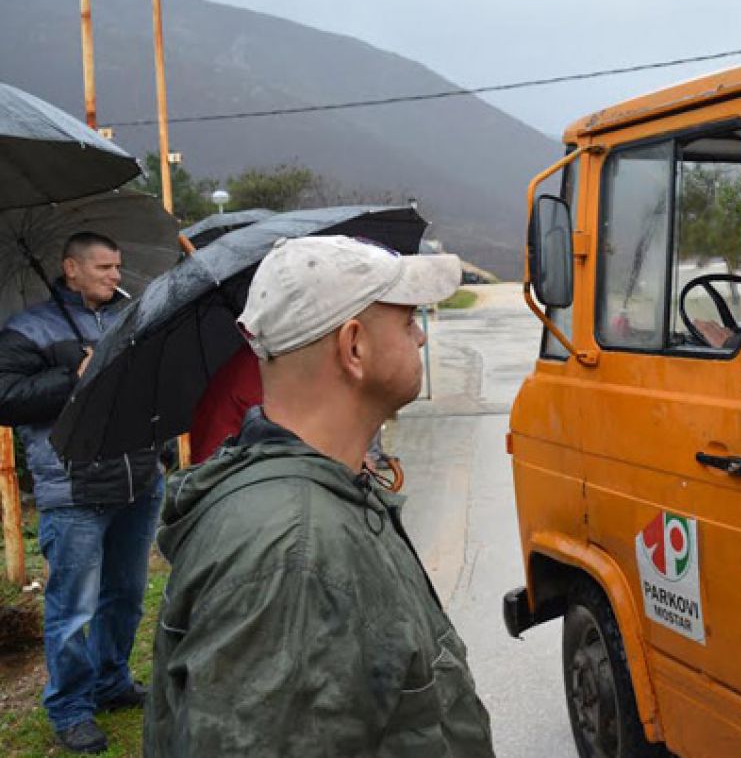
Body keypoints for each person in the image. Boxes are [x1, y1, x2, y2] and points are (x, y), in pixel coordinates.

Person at [145, 236, 494, 757]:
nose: (420, 337)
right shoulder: (295, 552)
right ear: (353, 347)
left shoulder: (324, 496)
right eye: (405, 320)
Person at [0, 232, 163, 754]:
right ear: (71, 269)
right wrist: (73, 376)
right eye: (104, 268)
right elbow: (6, 398)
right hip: (73, 489)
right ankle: (70, 707)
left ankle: (111, 681)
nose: (116, 276)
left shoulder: (129, 318)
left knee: (126, 596)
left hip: (137, 479)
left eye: (118, 267)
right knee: (73, 609)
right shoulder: (29, 329)